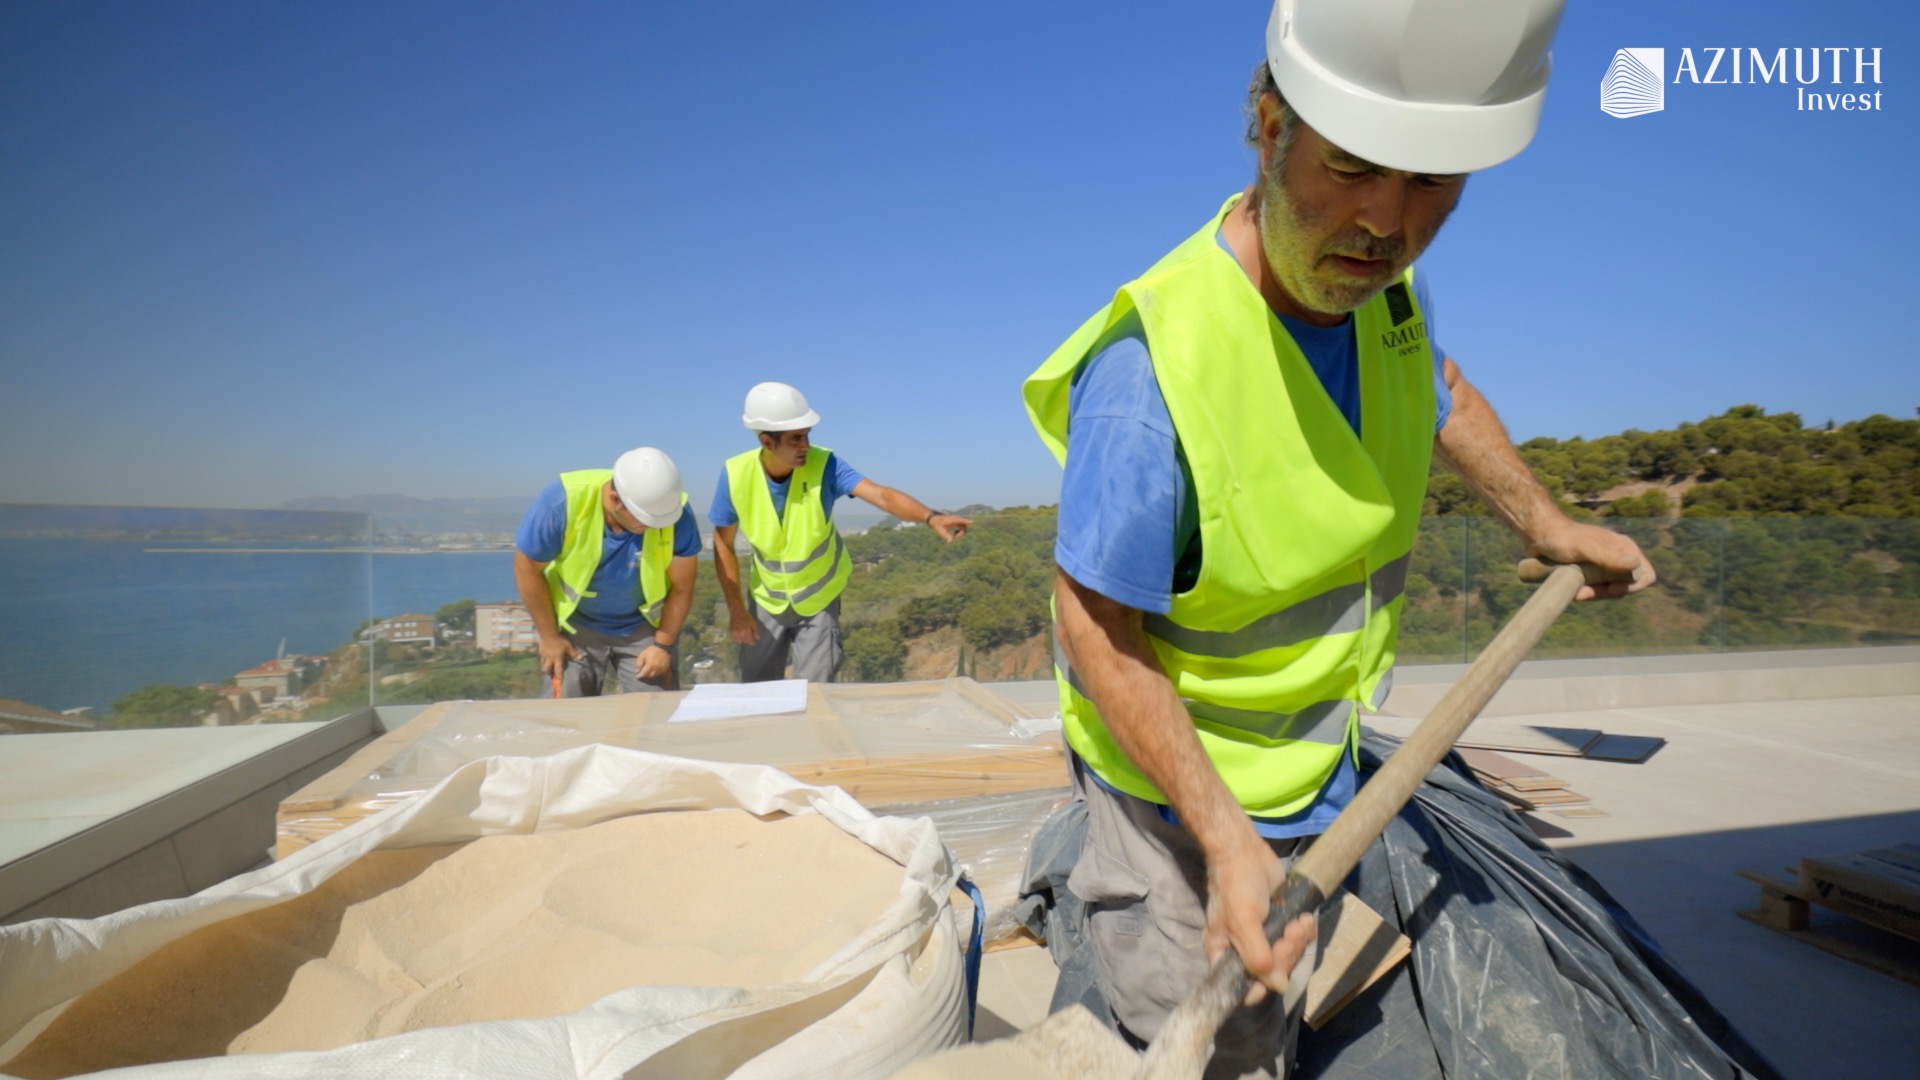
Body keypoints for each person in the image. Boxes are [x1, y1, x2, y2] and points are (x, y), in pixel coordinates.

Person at [1022, 2, 1656, 1076]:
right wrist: (1223, 839)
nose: (1386, 223)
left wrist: (1544, 522)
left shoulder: (1383, 292)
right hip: (1179, 797)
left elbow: (1438, 387)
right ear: (1269, 127)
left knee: (1281, 1003)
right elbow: (1096, 627)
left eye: (1431, 181)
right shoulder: (1150, 376)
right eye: (1352, 166)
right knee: (1210, 1044)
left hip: (1317, 766)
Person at [710, 381, 973, 682]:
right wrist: (737, 610)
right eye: (796, 439)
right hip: (766, 601)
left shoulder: (826, 465)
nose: (805, 446)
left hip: (819, 600)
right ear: (767, 442)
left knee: (816, 693)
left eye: (807, 435)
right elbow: (722, 544)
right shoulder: (735, 474)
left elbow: (881, 495)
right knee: (757, 691)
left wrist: (931, 517)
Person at [513, 447, 700, 697]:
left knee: (655, 707)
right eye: (644, 519)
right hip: (575, 625)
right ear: (614, 499)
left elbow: (683, 586)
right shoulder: (562, 501)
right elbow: (527, 568)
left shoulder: (674, 512)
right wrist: (550, 638)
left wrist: (662, 646)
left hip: (642, 626)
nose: (653, 526)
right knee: (564, 708)